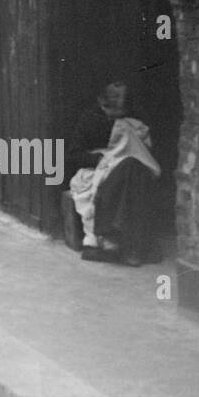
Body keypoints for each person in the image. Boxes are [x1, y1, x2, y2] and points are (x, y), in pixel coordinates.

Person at [66, 81, 161, 267]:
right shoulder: (90, 120)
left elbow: (142, 151)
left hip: (131, 169)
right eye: (112, 107)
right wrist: (101, 158)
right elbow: (74, 155)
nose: (116, 114)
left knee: (135, 170)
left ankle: (127, 242)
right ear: (102, 102)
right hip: (98, 170)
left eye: (121, 106)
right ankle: (120, 241)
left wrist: (126, 154)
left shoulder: (134, 121)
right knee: (128, 174)